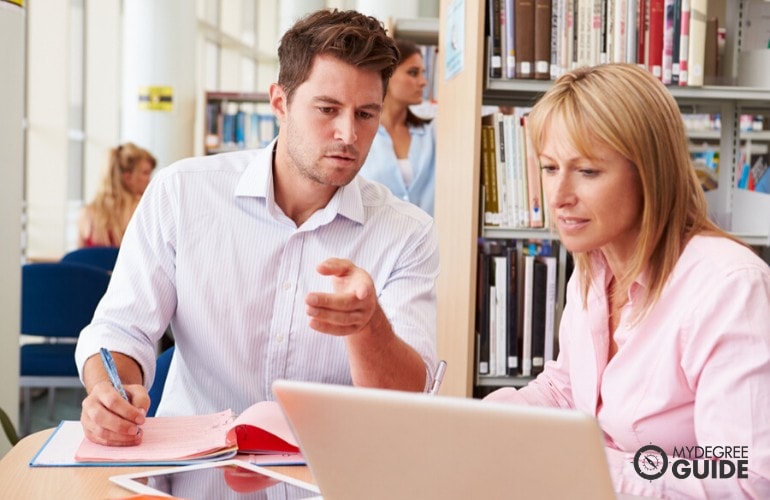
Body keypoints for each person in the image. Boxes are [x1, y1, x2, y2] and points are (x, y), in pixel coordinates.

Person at [75, 9, 439, 447]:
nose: (348, 134)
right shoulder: (182, 194)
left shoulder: (407, 232)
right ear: (280, 103)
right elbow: (121, 329)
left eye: (366, 114)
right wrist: (109, 392)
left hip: (326, 482)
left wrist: (369, 326)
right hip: (196, 480)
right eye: (328, 109)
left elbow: (409, 400)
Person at [484, 63, 770, 498]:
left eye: (587, 172)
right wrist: (481, 423)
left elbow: (744, 479)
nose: (558, 197)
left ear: (650, 174)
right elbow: (568, 387)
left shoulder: (730, 287)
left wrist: (585, 464)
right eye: (548, 168)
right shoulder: (592, 269)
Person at [358, 38, 436, 215]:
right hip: (375, 237)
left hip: (426, 237)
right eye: (413, 73)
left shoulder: (430, 134)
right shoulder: (360, 133)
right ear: (388, 75)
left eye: (423, 73)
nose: (423, 82)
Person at [77, 142, 156, 247]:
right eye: (146, 173)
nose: (150, 179)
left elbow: (78, 259)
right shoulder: (143, 210)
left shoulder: (86, 213)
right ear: (128, 178)